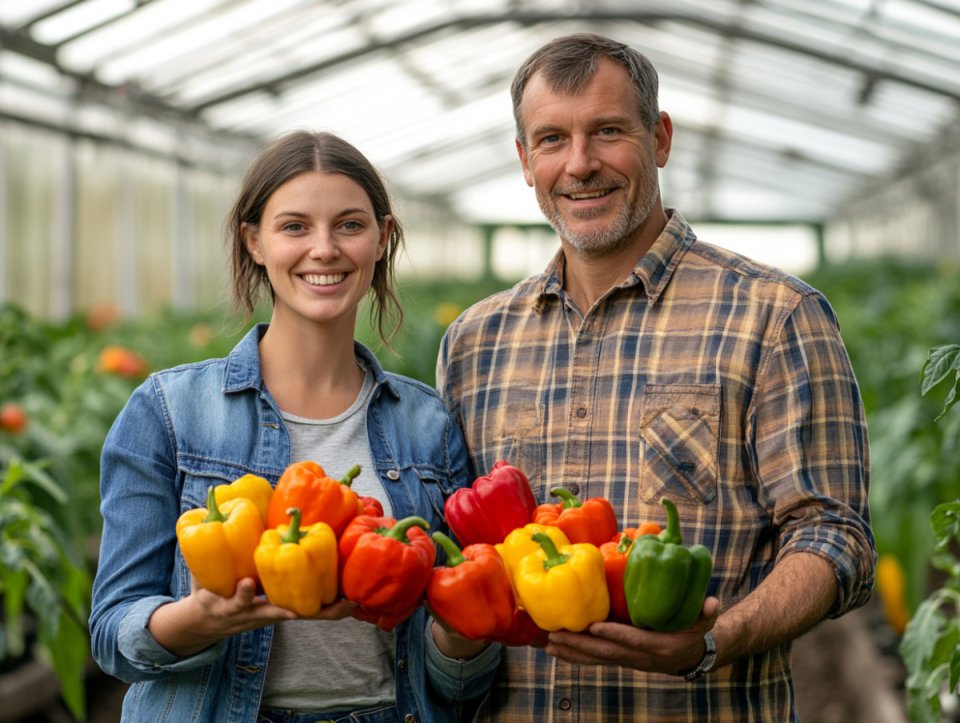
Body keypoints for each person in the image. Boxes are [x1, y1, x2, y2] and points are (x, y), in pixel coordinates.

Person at [436, 32, 875, 722]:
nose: (580, 164)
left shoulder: (776, 316)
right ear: (525, 161)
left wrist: (712, 641)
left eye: (607, 131)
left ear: (660, 138)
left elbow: (834, 533)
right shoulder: (475, 343)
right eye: (551, 139)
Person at [89, 130, 499, 723]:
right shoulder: (169, 411)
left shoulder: (427, 423)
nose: (325, 249)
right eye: (295, 226)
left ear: (382, 239)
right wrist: (202, 618)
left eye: (350, 225)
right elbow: (112, 633)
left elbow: (455, 678)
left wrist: (463, 638)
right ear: (254, 241)